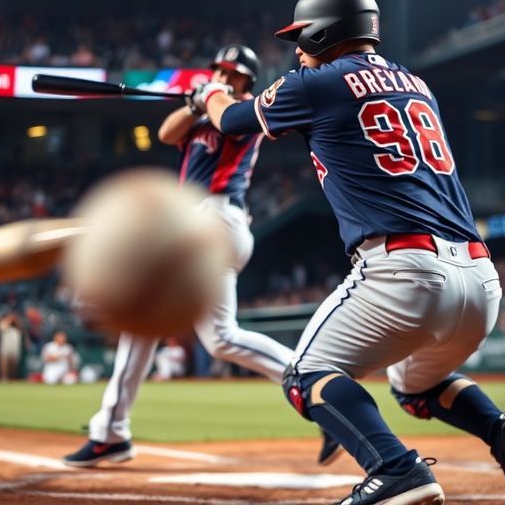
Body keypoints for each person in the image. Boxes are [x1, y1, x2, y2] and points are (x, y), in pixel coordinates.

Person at [196, 0, 505, 505]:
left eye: (303, 36)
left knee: (305, 375)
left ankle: (396, 470)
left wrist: (209, 94)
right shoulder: (416, 83)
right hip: (481, 278)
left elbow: (233, 123)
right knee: (414, 386)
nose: (298, 49)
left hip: (404, 271)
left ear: (326, 32)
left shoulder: (316, 81)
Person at [63, 45, 339, 467]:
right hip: (197, 222)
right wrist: (193, 104)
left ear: (248, 80)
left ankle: (323, 393)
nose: (226, 77)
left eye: (234, 73)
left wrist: (209, 97)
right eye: (220, 70)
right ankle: (111, 431)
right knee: (191, 331)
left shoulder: (244, 109)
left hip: (214, 217)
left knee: (205, 330)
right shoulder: (202, 114)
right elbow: (167, 133)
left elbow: (225, 116)